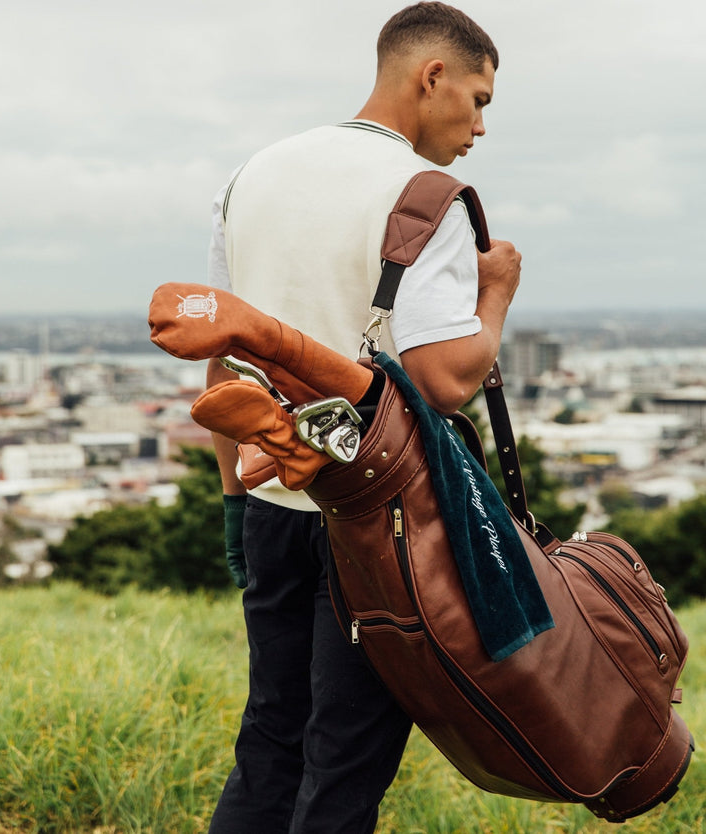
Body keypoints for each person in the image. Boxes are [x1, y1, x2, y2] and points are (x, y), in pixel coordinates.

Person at [205, 3, 521, 832]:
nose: (481, 125)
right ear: (432, 76)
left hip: (271, 500)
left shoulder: (254, 175)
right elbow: (443, 380)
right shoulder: (425, 195)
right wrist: (495, 297)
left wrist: (236, 498)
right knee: (345, 759)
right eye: (480, 99)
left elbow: (219, 358)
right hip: (378, 522)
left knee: (271, 735)